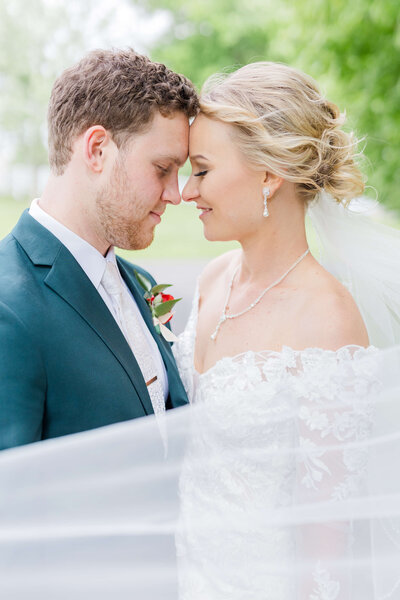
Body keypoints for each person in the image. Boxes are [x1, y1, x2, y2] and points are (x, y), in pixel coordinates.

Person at [171, 61, 400, 598]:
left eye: (201, 170)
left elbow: (328, 540)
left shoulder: (328, 319)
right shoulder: (212, 279)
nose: (185, 192)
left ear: (270, 174)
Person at [0, 48, 199, 450]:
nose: (176, 194)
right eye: (163, 169)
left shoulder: (142, 282)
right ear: (96, 150)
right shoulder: (8, 306)